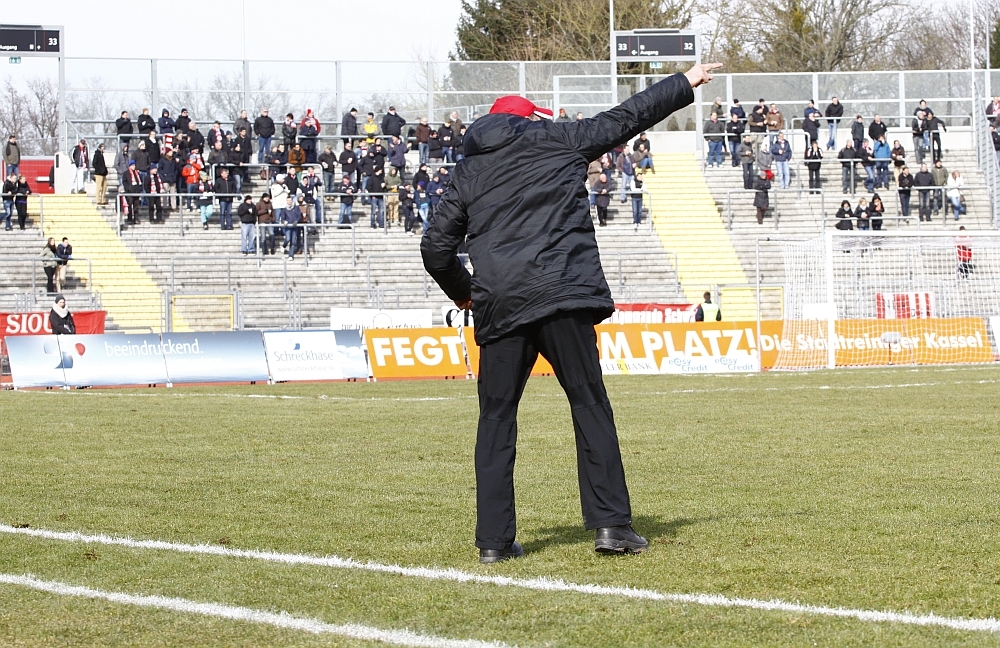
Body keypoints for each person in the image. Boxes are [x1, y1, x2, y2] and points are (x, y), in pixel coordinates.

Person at [421, 62, 719, 564]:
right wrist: (684, 81)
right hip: (561, 293)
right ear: (529, 120)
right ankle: (611, 527)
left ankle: (494, 542)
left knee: (496, 419)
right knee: (588, 404)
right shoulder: (557, 138)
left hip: (501, 304)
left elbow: (435, 248)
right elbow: (626, 118)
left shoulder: (468, 170)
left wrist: (466, 292)